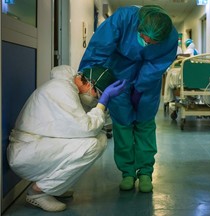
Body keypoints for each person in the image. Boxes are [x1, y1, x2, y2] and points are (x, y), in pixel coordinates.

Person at [78, 5, 178, 193]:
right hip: (117, 72)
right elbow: (99, 47)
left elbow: (156, 65)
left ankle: (146, 172)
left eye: (153, 43)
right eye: (144, 39)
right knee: (122, 123)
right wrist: (89, 76)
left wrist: (140, 87)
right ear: (139, 27)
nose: (147, 43)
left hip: (148, 80)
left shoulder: (170, 36)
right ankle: (128, 172)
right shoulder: (124, 18)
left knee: (145, 122)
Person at [6, 65, 126, 212]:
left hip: (35, 145)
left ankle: (52, 187)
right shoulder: (61, 90)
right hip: (25, 152)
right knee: (93, 144)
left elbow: (88, 123)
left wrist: (102, 104)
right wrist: (102, 104)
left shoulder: (69, 89)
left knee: (99, 138)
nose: (95, 99)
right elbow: (86, 128)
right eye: (97, 95)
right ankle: (38, 192)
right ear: (89, 83)